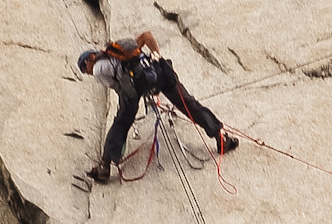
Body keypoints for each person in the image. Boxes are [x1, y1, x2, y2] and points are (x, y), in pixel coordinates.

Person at [78, 31, 238, 183]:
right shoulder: (119, 52)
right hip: (157, 72)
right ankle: (220, 136)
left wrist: (133, 99)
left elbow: (118, 87)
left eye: (85, 69)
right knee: (188, 104)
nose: (88, 73)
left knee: (121, 122)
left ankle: (104, 166)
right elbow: (147, 36)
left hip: (133, 87)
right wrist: (156, 54)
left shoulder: (99, 69)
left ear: (91, 58)